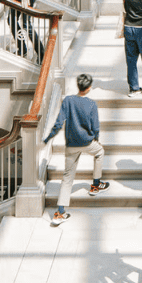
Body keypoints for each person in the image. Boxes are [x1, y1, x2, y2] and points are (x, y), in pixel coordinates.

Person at [43, 74, 110, 224]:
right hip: (87, 142)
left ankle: (60, 212)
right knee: (100, 152)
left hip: (71, 145)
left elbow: (59, 123)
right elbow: (96, 127)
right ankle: (96, 184)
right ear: (89, 88)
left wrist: (48, 138)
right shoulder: (91, 104)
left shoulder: (68, 101)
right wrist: (96, 139)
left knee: (67, 178)